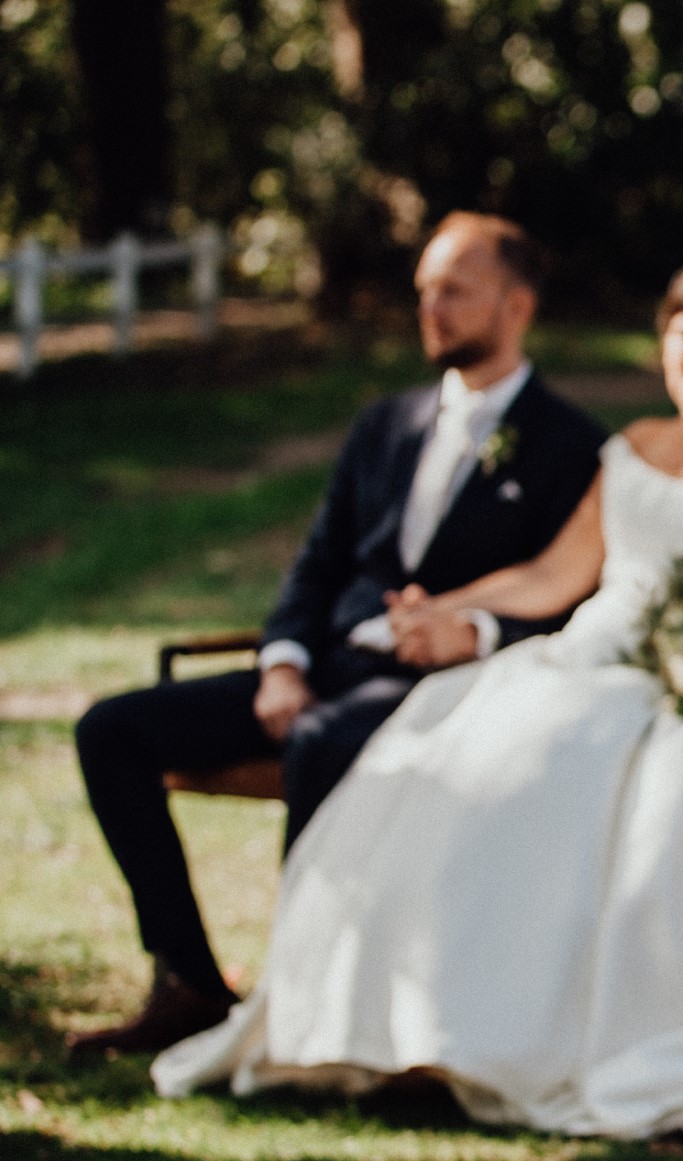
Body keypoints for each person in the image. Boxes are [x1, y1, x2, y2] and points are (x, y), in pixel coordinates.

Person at [148, 260, 683, 1141]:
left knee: (570, 763)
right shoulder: (632, 448)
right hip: (586, 658)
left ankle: (552, 1029)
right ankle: (418, 1022)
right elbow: (556, 574)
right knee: (457, 756)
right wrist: (451, 608)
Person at [68, 213, 607, 1058]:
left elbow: (567, 596)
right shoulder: (384, 425)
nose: (431, 308)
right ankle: (189, 983)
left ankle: (301, 997)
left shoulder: (574, 446)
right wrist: (281, 663)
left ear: (516, 307)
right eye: (425, 289)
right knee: (113, 729)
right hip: (324, 669)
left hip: (444, 692)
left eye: (454, 291)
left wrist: (474, 632)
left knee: (321, 741)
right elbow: (316, 566)